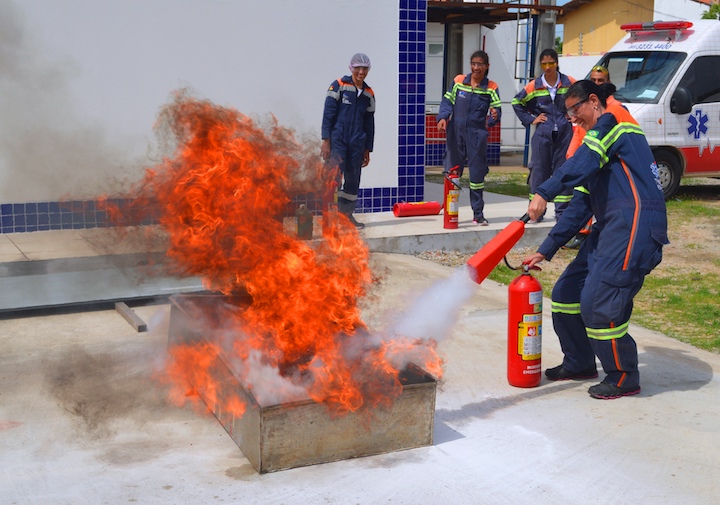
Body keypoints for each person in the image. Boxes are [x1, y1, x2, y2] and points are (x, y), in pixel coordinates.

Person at [522, 80, 669, 400]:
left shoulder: (614, 122)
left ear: (593, 101)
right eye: (568, 113)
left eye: (575, 110)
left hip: (635, 222)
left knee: (598, 303)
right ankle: (579, 362)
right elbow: (580, 206)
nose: (573, 119)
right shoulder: (597, 144)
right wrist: (545, 250)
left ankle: (624, 374)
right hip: (612, 224)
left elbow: (582, 162)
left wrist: (544, 191)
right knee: (566, 293)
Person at [436, 50, 501, 225]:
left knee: (477, 176)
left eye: (480, 64)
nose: (476, 67)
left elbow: (497, 110)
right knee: (452, 172)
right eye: (473, 63)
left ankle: (478, 215)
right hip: (455, 133)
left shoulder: (491, 87)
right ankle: (450, 214)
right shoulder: (459, 81)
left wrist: (494, 116)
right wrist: (442, 117)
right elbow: (447, 101)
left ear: (486, 67)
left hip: (477, 135)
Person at [512, 48, 575, 222]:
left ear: (557, 63)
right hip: (543, 134)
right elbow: (516, 102)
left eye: (551, 63)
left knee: (563, 170)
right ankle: (536, 213)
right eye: (544, 64)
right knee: (540, 171)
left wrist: (573, 115)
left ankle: (562, 213)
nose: (548, 67)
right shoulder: (535, 85)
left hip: (564, 133)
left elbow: (581, 96)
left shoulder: (569, 82)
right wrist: (531, 119)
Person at [321, 53, 376, 229]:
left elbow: (370, 123)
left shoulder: (368, 93)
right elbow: (328, 115)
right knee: (333, 177)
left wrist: (367, 149)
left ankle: (346, 217)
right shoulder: (338, 86)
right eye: (358, 68)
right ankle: (328, 218)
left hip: (357, 144)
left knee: (353, 180)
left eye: (365, 68)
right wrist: (325, 140)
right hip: (338, 141)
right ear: (351, 68)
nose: (361, 72)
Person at [563, 64, 614, 249]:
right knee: (581, 195)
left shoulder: (611, 106)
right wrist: (572, 155)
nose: (597, 83)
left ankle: (591, 233)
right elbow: (577, 131)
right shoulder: (583, 105)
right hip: (585, 153)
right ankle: (581, 233)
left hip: (599, 158)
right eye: (594, 80)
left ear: (607, 81)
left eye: (601, 80)